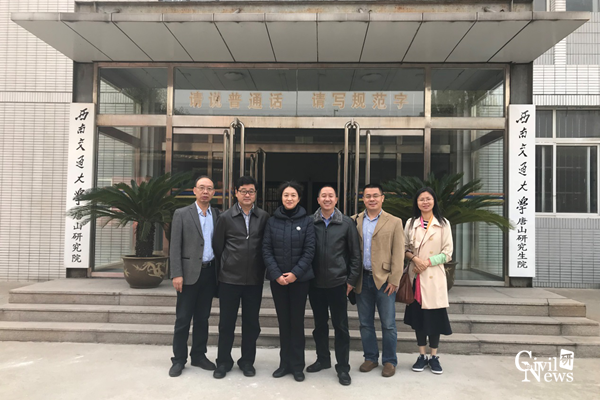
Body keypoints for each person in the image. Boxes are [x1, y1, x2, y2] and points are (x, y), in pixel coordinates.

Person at [212, 176, 270, 379]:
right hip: (229, 279)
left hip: (254, 280)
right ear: (235, 192)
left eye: (251, 191)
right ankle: (223, 362)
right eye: (243, 191)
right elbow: (218, 247)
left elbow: (266, 246)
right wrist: (226, 266)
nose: (247, 194)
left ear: (255, 194)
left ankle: (247, 362)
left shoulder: (263, 217)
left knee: (251, 324)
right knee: (226, 324)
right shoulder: (225, 217)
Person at [307, 186, 361, 386]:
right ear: (318, 200)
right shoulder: (310, 222)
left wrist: (351, 281)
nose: (327, 199)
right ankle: (323, 359)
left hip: (339, 284)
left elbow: (355, 255)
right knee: (319, 326)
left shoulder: (346, 223)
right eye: (324, 196)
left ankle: (343, 367)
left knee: (341, 327)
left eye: (331, 196)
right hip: (315, 284)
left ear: (336, 199)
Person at [262, 181, 315, 382]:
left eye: (293, 195)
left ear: (299, 198)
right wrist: (276, 274)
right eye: (286, 195)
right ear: (281, 197)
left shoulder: (307, 221)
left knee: (297, 322)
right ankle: (284, 364)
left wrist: (295, 274)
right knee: (283, 322)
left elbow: (309, 250)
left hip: (300, 281)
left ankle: (298, 365)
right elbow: (266, 249)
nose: (289, 198)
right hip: (278, 281)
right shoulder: (272, 221)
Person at [168, 176, 220, 377]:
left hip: (209, 273)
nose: (205, 191)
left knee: (202, 318)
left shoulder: (217, 214)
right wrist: (176, 273)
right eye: (202, 188)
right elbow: (175, 246)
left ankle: (198, 355)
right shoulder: (182, 214)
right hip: (188, 275)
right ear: (194, 190)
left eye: (209, 188)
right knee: (183, 318)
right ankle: (179, 359)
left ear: (213, 192)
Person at [352, 183, 404, 378]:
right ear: (363, 199)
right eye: (368, 196)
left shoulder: (394, 222)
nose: (371, 199)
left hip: (385, 280)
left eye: (375, 195)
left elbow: (398, 252)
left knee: (388, 324)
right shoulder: (354, 220)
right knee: (365, 323)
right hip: (362, 279)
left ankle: (389, 361)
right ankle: (371, 358)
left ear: (382, 198)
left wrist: (395, 279)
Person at [403, 187, 453, 375]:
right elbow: (404, 248)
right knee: (419, 319)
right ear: (416, 203)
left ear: (434, 201)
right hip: (416, 276)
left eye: (428, 199)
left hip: (434, 276)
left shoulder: (443, 223)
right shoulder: (411, 223)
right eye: (421, 199)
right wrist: (416, 260)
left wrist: (427, 262)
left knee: (434, 319)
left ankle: (434, 357)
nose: (425, 202)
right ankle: (422, 355)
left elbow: (448, 253)